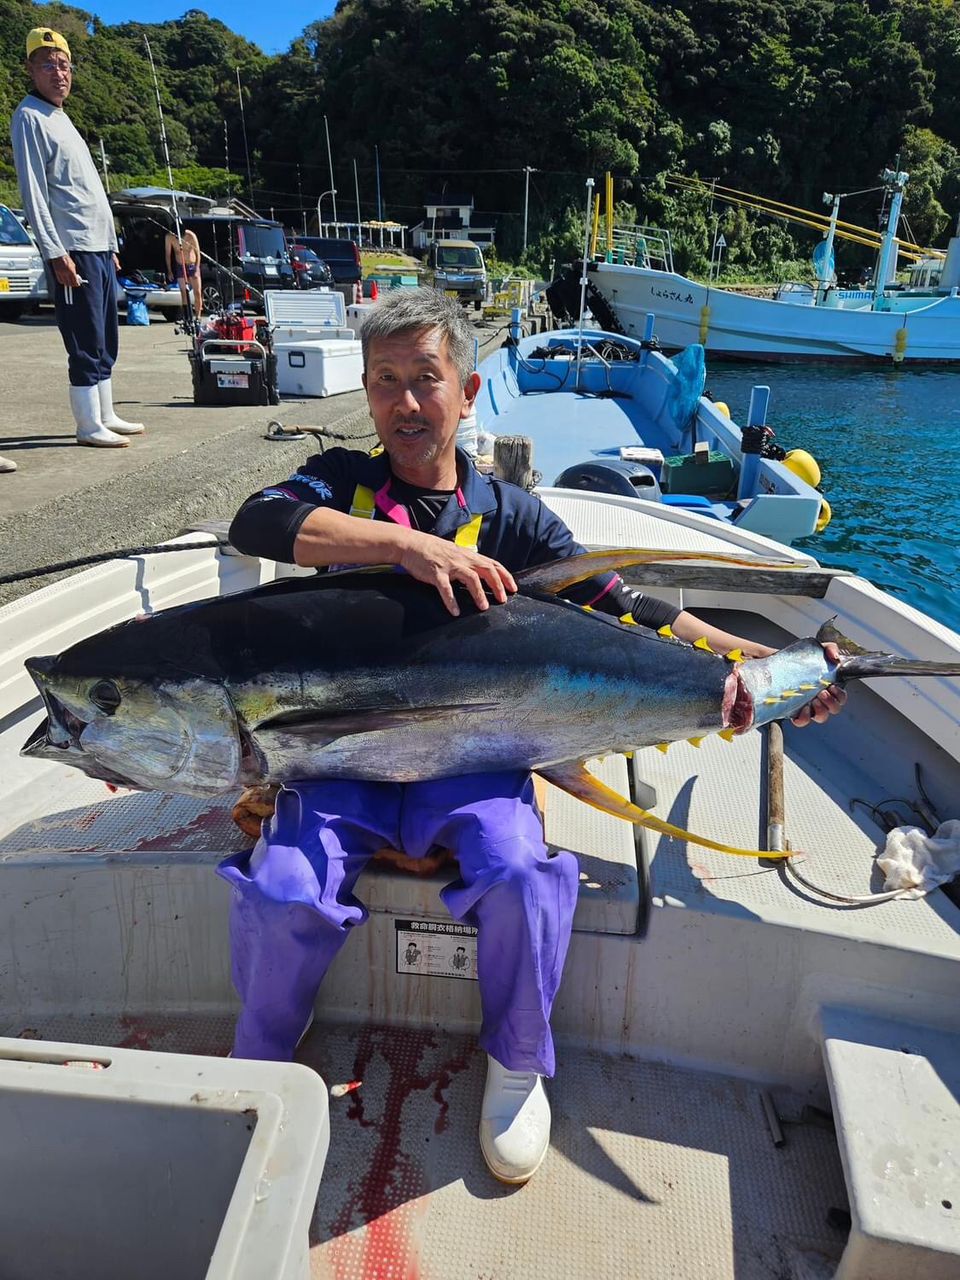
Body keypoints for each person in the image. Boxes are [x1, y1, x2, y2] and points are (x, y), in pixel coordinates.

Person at [221, 288, 844, 1184]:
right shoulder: (340, 486)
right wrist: (406, 550)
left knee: (517, 871)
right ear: (366, 393)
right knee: (281, 886)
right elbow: (261, 522)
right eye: (385, 382)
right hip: (341, 758)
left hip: (473, 760)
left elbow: (626, 612)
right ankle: (262, 1053)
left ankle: (517, 1066)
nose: (405, 403)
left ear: (468, 392)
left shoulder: (510, 519)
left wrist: (760, 667)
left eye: (425, 380)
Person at [10, 27, 146, 448]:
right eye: (47, 64)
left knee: (106, 335)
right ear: (31, 69)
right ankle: (87, 425)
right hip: (71, 247)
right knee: (84, 338)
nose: (58, 73)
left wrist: (112, 247)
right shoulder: (29, 117)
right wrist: (54, 253)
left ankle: (105, 413)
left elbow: (88, 192)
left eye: (64, 64)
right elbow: (34, 193)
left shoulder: (64, 119)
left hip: (98, 248)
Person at [164, 226, 202, 320]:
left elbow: (198, 253)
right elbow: (168, 254)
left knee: (197, 292)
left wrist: (196, 268)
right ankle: (187, 315)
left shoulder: (191, 236)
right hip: (180, 266)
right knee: (183, 291)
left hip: (191, 264)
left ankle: (198, 316)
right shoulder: (169, 237)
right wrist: (169, 271)